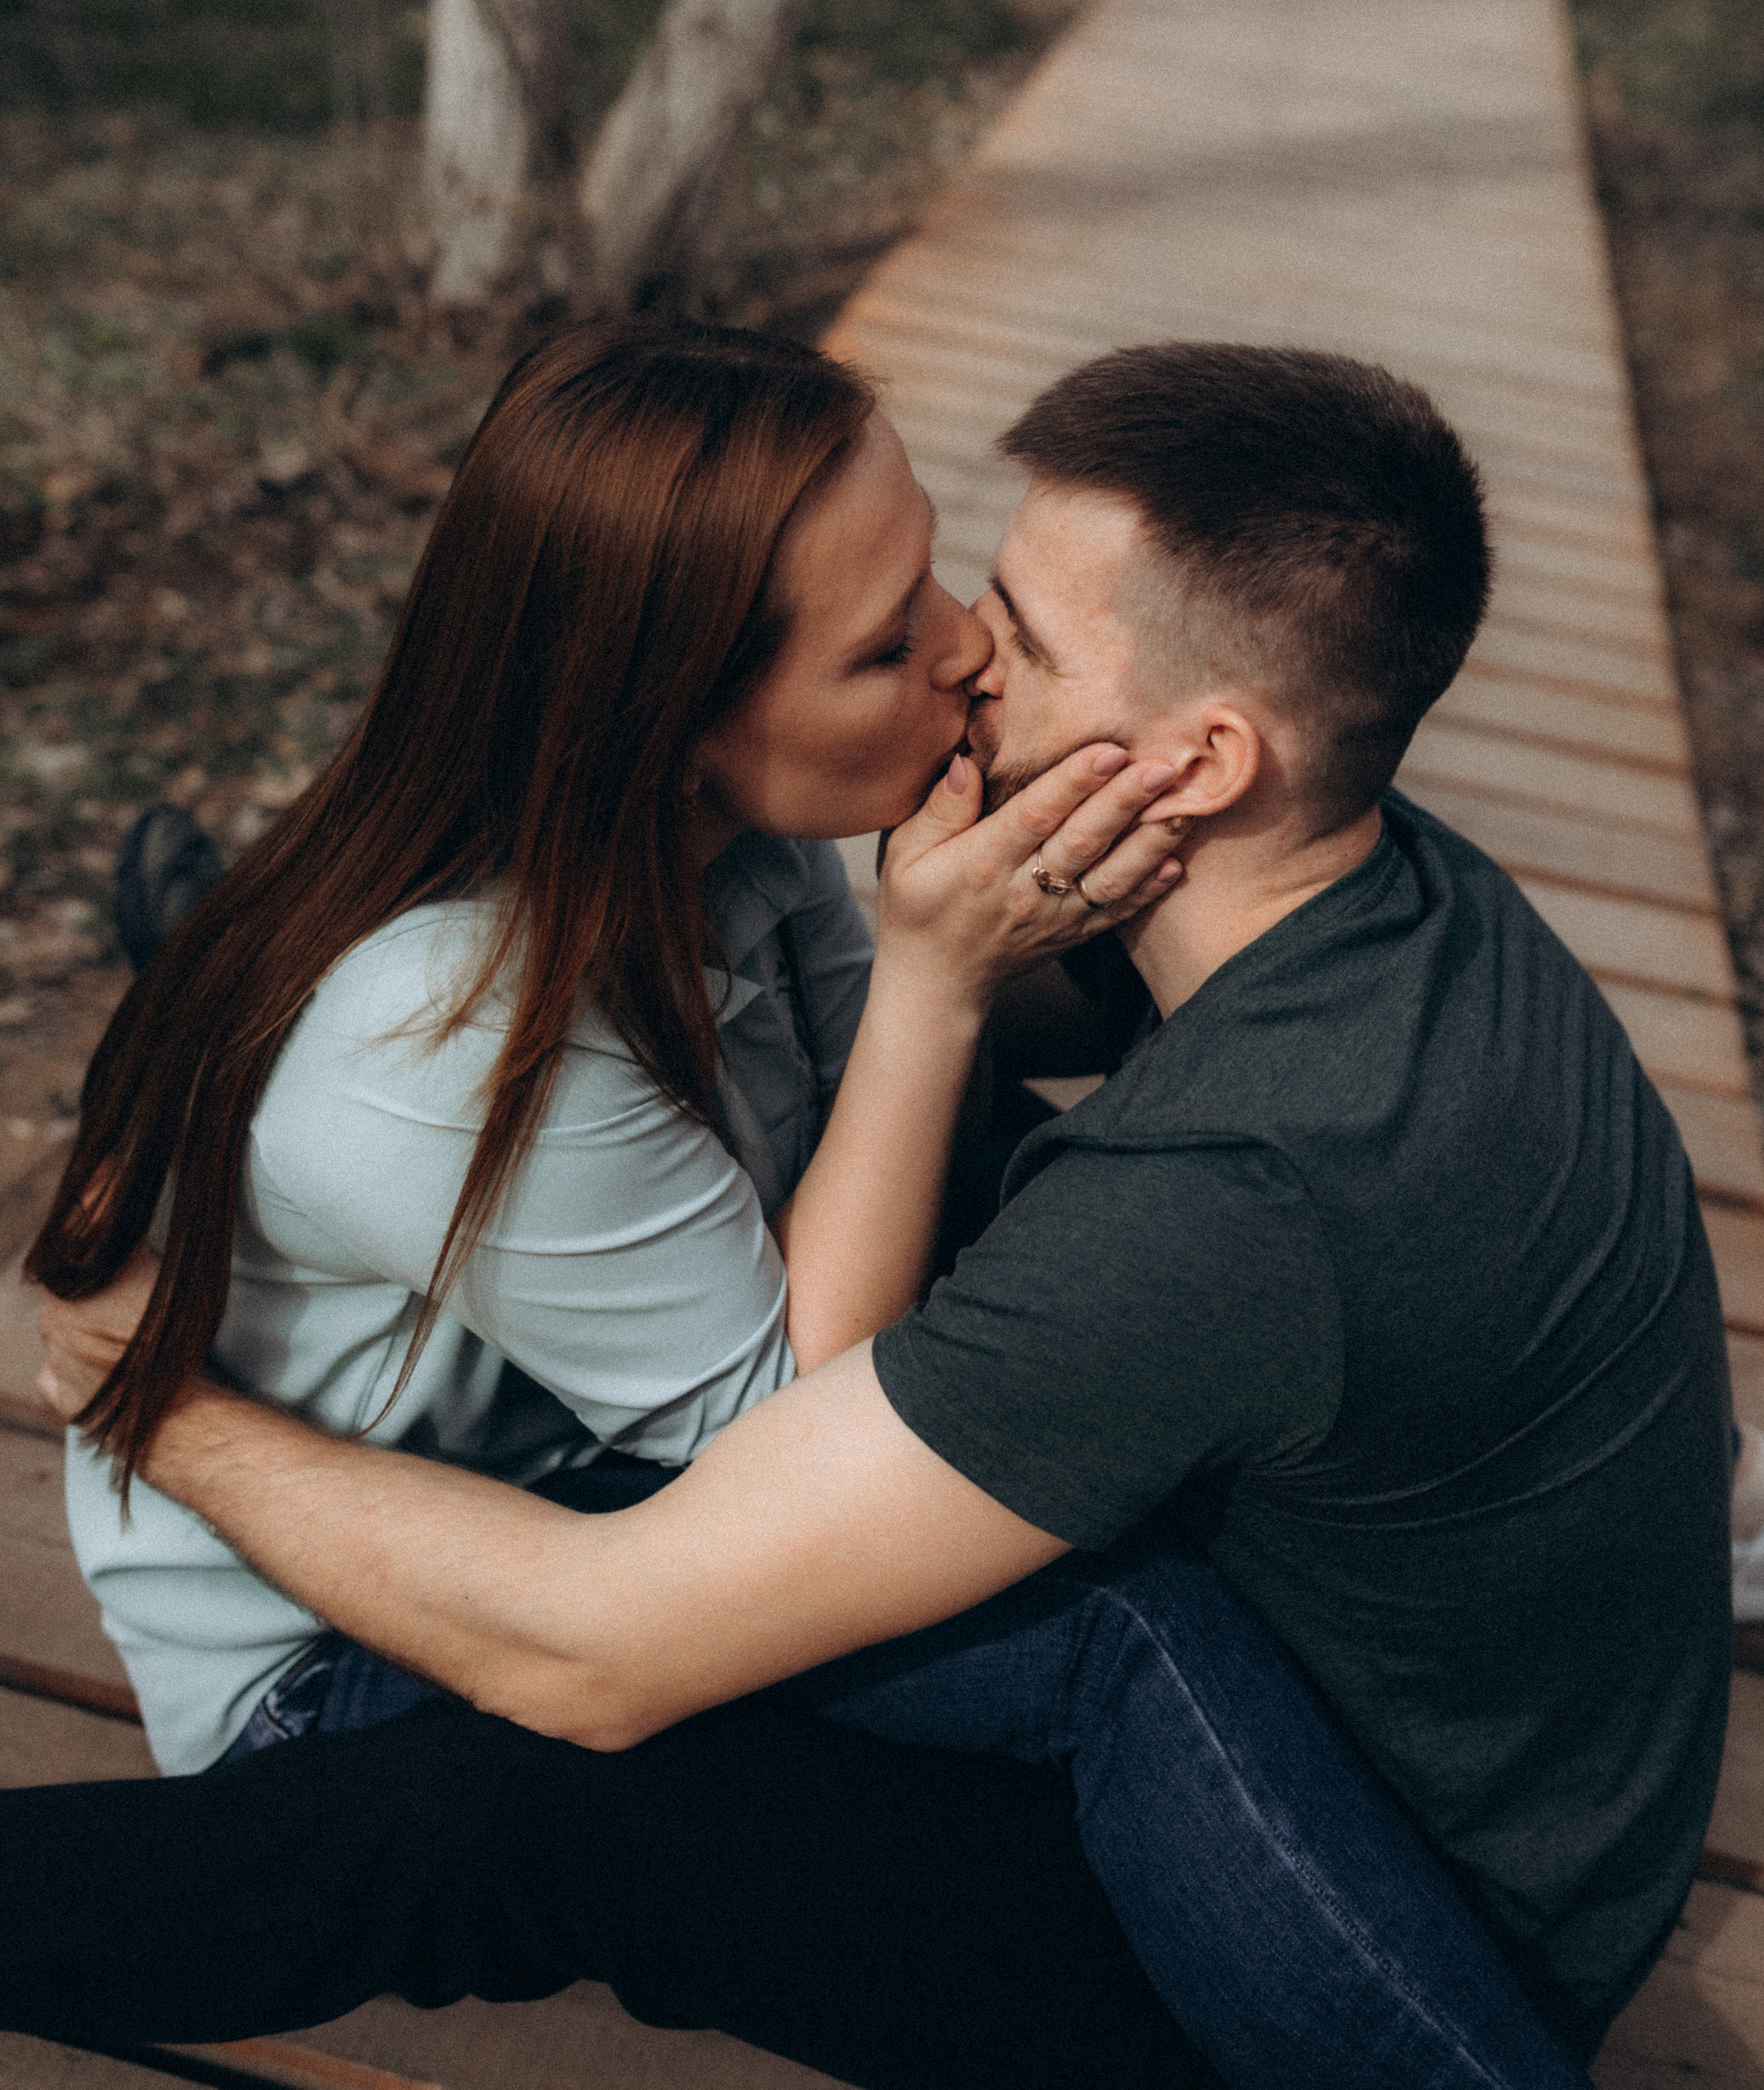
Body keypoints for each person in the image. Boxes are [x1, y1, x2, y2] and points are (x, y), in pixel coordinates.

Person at [19, 343, 1730, 2085]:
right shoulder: (1404, 903)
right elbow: (655, 1571)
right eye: (910, 615)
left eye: (1016, 629)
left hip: (1397, 1911)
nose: (970, 649)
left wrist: (178, 1417)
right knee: (541, 1794)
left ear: (1206, 760)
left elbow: (705, 1515)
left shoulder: (1219, 1182)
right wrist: (170, 1406)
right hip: (428, 1581)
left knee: (1014, 1587)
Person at [29, 318, 1185, 1778]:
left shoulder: (728, 839)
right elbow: (782, 1441)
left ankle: (197, 964)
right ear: (667, 725)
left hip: (580, 1457)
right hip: (343, 1641)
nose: (967, 646)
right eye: (886, 644)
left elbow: (862, 1092)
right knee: (1086, 1603)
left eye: (933, 572)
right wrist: (934, 982)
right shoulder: (455, 1037)